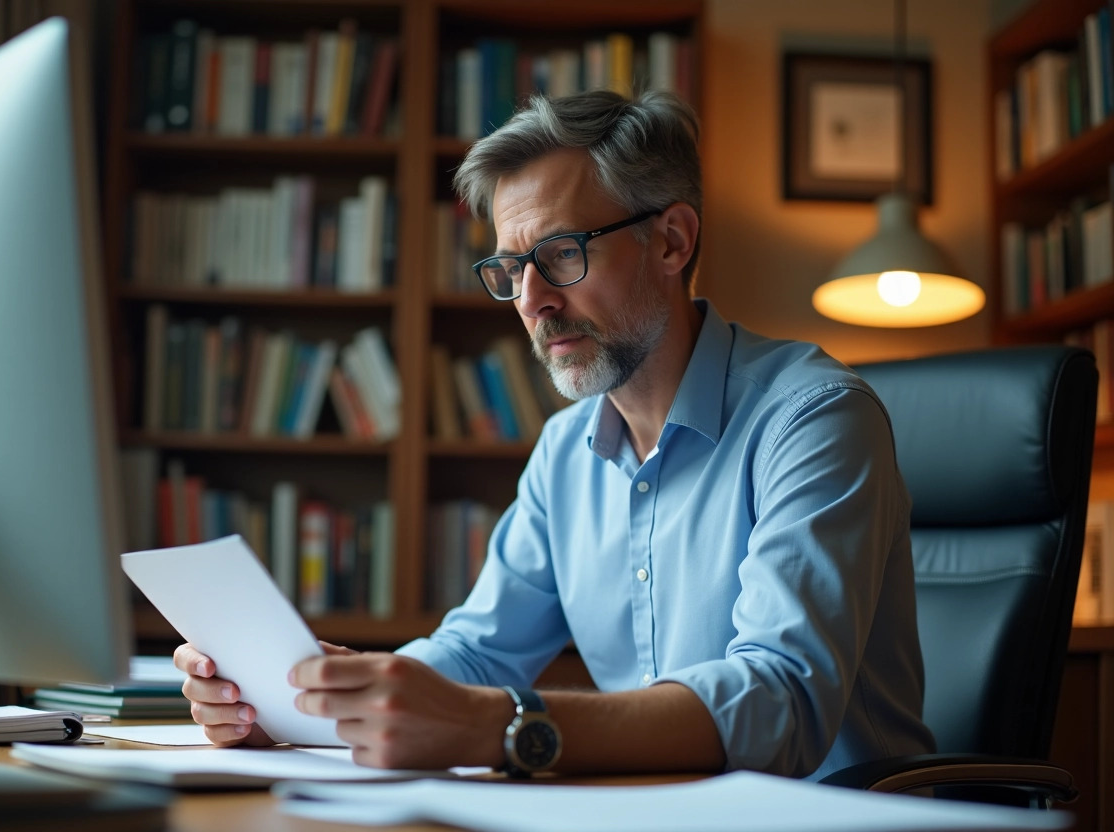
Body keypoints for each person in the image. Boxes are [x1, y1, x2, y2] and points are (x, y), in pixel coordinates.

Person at [175, 89, 936, 779]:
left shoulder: (815, 420)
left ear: (672, 241)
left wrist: (505, 724)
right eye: (510, 268)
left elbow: (780, 706)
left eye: (561, 255)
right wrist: (313, 699)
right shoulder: (566, 452)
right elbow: (478, 652)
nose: (531, 301)